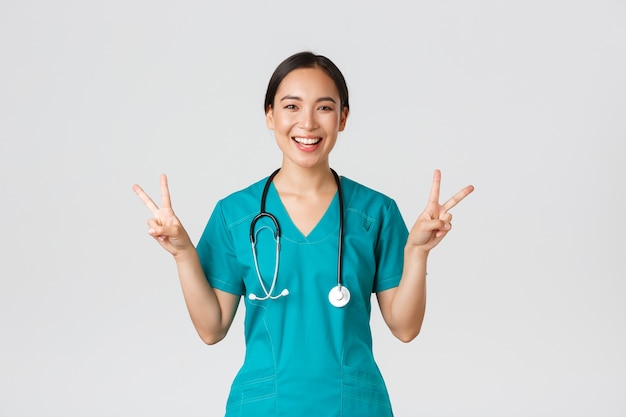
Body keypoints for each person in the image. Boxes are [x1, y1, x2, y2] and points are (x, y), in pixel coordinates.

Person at [133, 51, 474, 417]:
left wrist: (418, 252)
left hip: (354, 406)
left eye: (324, 108)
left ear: (343, 118)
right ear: (270, 115)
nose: (307, 123)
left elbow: (405, 328)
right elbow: (211, 328)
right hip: (266, 406)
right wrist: (183, 253)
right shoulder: (235, 214)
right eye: (291, 106)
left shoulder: (375, 212)